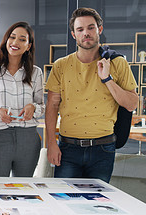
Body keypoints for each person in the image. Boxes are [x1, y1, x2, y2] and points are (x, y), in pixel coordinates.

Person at [45, 8, 138, 183]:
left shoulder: (118, 63)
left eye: (91, 28)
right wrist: (51, 144)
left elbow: (132, 104)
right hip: (68, 148)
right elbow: (52, 106)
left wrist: (107, 79)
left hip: (103, 149)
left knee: (96, 207)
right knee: (63, 204)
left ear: (99, 30)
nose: (86, 33)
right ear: (73, 34)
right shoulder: (60, 66)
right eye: (80, 29)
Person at [0, 22, 45, 177]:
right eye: (12, 37)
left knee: (24, 190)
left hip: (28, 139)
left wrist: (33, 108)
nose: (15, 42)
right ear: (6, 41)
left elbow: (41, 106)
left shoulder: (36, 73)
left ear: (29, 46)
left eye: (22, 39)